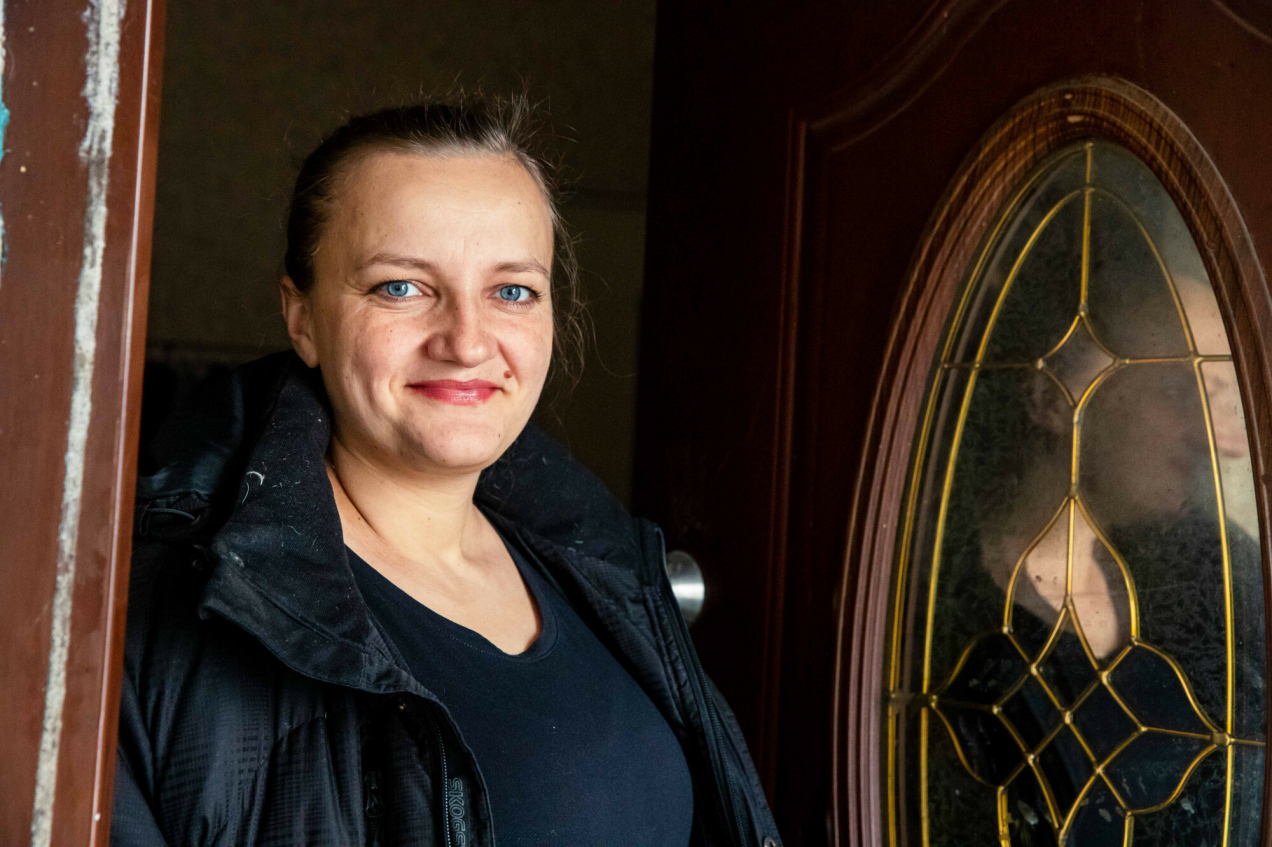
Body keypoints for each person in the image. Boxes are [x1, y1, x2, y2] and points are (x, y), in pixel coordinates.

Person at [112, 98, 781, 847]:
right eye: (401, 287)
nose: (466, 341)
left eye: (511, 291)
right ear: (302, 318)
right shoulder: (153, 618)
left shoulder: (609, 573)